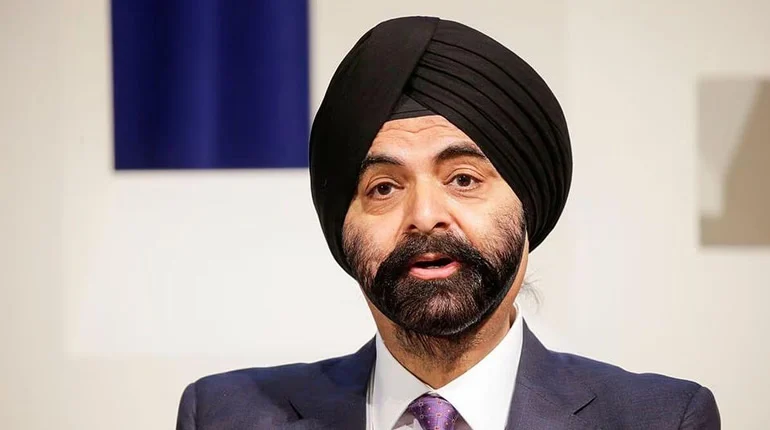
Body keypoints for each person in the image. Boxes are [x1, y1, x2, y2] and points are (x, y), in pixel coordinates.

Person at [175, 16, 720, 430]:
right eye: (384, 188)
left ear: (527, 205)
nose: (425, 216)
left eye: (463, 179)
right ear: (342, 227)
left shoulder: (662, 418)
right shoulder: (225, 415)